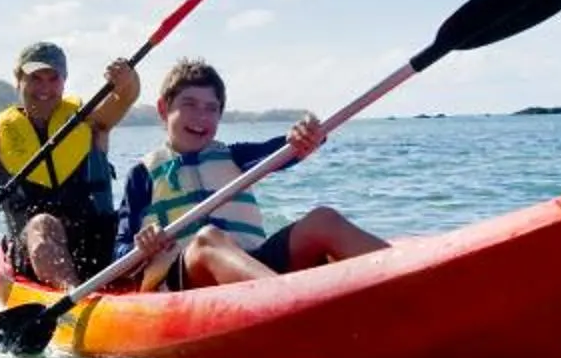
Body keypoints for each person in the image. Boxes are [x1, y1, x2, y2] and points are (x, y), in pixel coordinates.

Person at [116, 58, 388, 289]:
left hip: (252, 265)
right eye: (189, 104)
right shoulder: (142, 175)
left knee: (322, 219)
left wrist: (307, 135)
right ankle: (291, 304)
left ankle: (401, 277)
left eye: (211, 108)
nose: (201, 116)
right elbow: (119, 254)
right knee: (208, 239)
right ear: (164, 109)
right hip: (186, 277)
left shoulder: (237, 157)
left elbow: (288, 150)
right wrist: (142, 247)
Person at [0, 41, 142, 287]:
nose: (45, 88)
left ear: (64, 81)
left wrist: (128, 79)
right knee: (42, 225)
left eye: (53, 78)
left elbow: (124, 97)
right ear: (19, 80)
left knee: (141, 215)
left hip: (96, 244)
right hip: (32, 251)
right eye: (35, 78)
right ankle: (74, 296)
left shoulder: (90, 123)